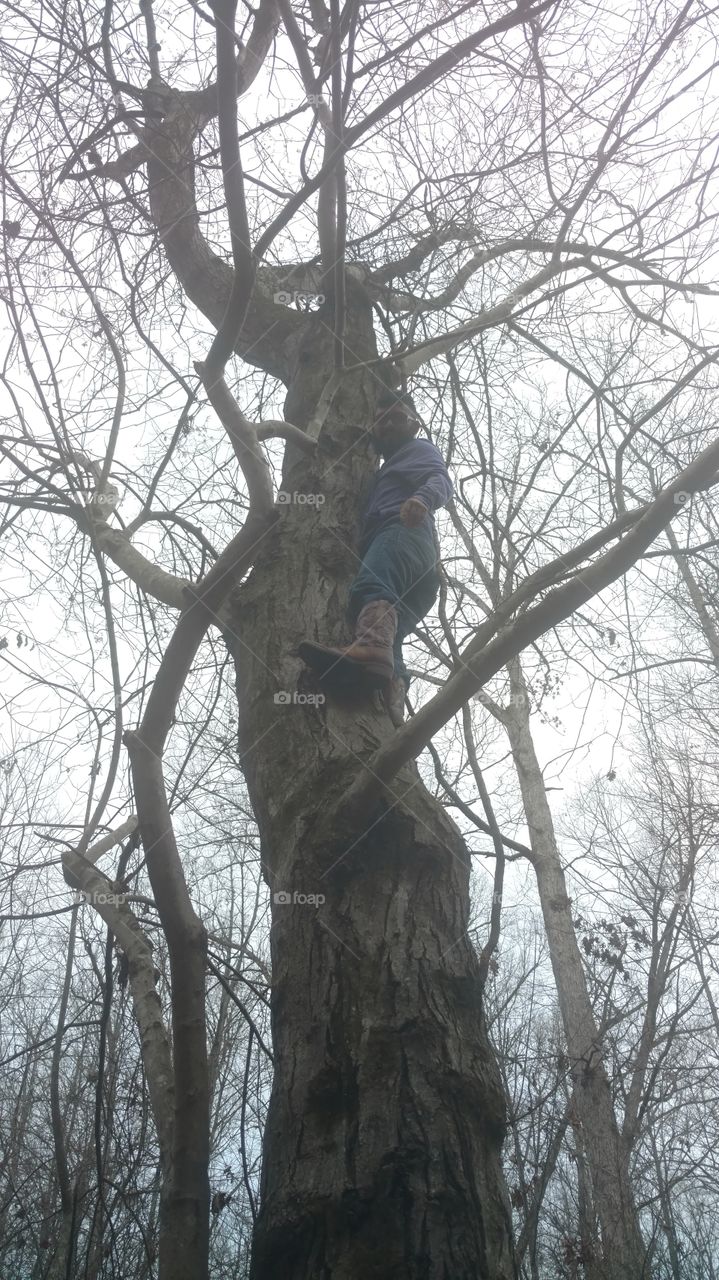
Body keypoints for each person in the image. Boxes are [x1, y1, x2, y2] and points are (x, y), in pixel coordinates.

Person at [298, 389, 453, 725]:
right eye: (380, 421)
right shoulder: (387, 468)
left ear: (415, 425)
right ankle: (392, 696)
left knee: (371, 585)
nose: (387, 425)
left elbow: (439, 478)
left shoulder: (418, 448)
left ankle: (370, 646)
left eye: (397, 418)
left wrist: (423, 499)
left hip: (402, 534)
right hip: (418, 574)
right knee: (393, 635)